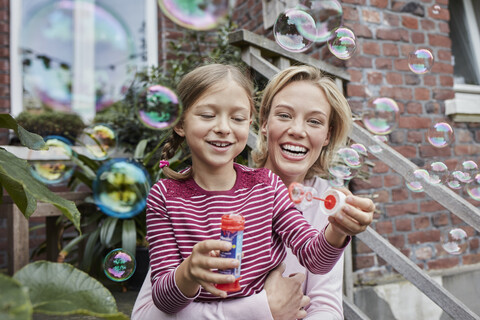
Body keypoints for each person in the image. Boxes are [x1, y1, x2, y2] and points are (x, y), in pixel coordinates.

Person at [132, 64, 374, 319]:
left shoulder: (267, 187)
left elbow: (315, 261)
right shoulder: (166, 197)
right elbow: (161, 304)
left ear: (247, 124)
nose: (223, 127)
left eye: (236, 118)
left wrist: (337, 229)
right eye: (207, 115)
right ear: (263, 123)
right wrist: (188, 272)